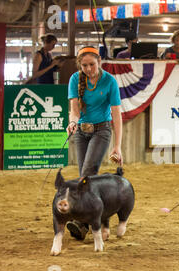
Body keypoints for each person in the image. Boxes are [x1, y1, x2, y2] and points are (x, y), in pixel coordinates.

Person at [65, 46, 124, 240]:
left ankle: (82, 223)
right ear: (80, 66)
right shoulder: (75, 79)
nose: (89, 69)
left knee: (87, 173)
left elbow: (116, 114)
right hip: (81, 132)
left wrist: (118, 145)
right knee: (85, 177)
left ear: (99, 61)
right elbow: (74, 109)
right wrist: (72, 122)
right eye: (84, 66)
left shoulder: (109, 81)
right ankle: (99, 219)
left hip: (102, 130)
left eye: (92, 64)